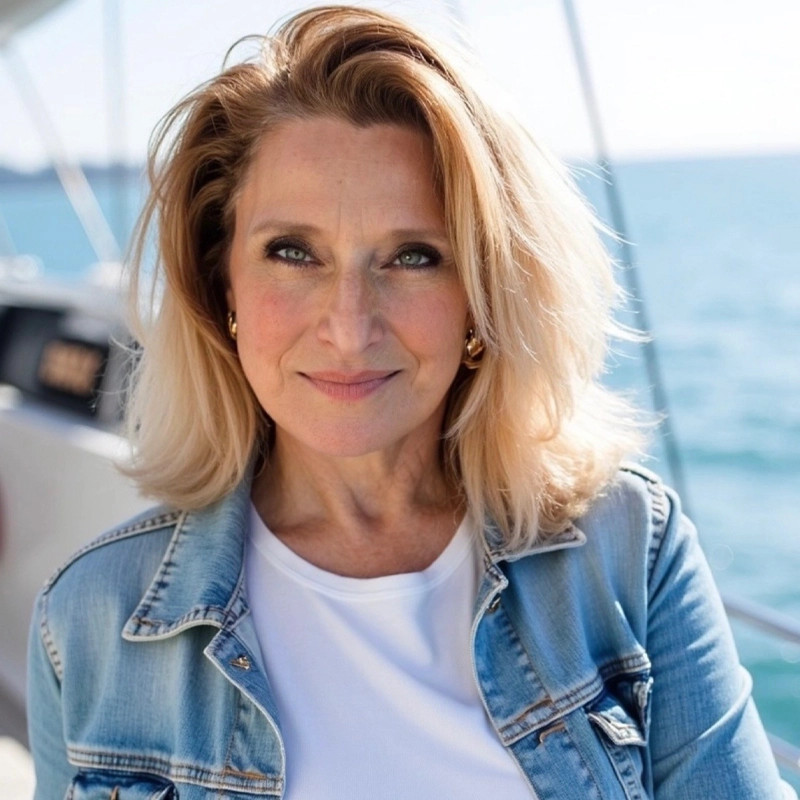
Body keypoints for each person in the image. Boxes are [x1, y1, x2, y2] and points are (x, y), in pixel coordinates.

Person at [26, 6, 793, 799]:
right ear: (221, 284)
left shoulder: (628, 550)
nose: (350, 328)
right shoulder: (89, 619)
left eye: (414, 257)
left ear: (484, 297)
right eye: (293, 253)